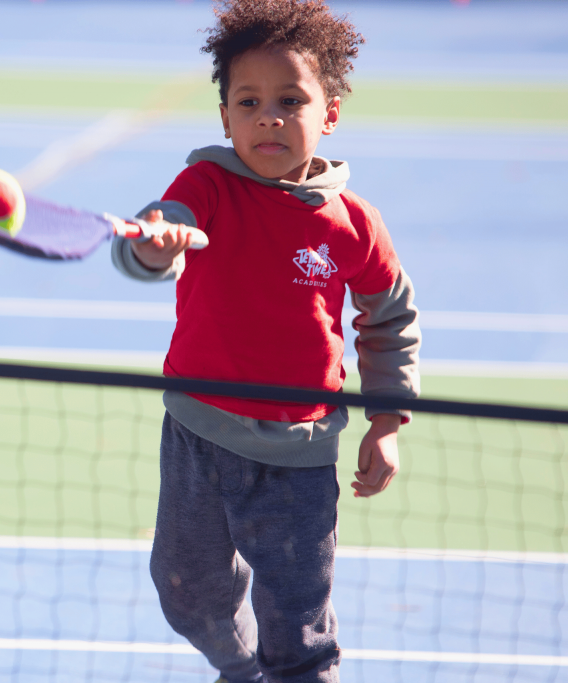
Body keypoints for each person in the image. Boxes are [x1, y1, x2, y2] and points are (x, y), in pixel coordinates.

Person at [109, 1, 422, 681]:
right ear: (225, 118)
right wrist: (159, 246)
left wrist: (387, 420)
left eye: (289, 99)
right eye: (248, 101)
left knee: (299, 633)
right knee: (188, 593)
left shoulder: (353, 224)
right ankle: (241, 669)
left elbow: (389, 317)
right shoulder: (207, 185)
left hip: (299, 455)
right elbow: (157, 236)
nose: (268, 116)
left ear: (330, 112)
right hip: (197, 433)